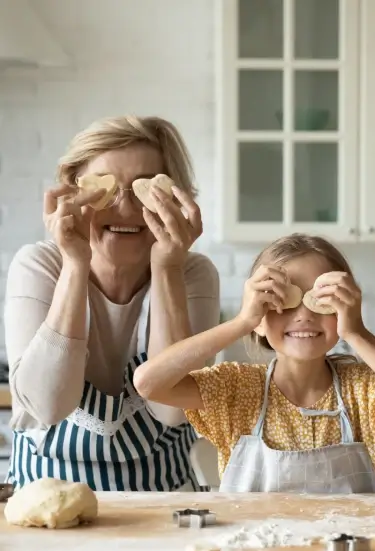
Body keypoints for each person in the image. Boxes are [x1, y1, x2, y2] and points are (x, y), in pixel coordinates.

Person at [133, 234, 375, 493]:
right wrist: (242, 321)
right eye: (284, 301)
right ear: (260, 316)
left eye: (321, 299)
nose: (303, 315)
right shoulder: (237, 389)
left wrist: (356, 332)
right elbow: (148, 383)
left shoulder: (362, 390)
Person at [5, 115, 220, 491]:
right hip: (43, 501)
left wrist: (167, 267)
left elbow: (172, 411)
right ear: (73, 195)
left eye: (143, 191)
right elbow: (47, 405)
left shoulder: (192, 274)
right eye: (105, 189)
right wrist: (75, 264)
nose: (124, 208)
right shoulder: (38, 265)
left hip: (163, 504)